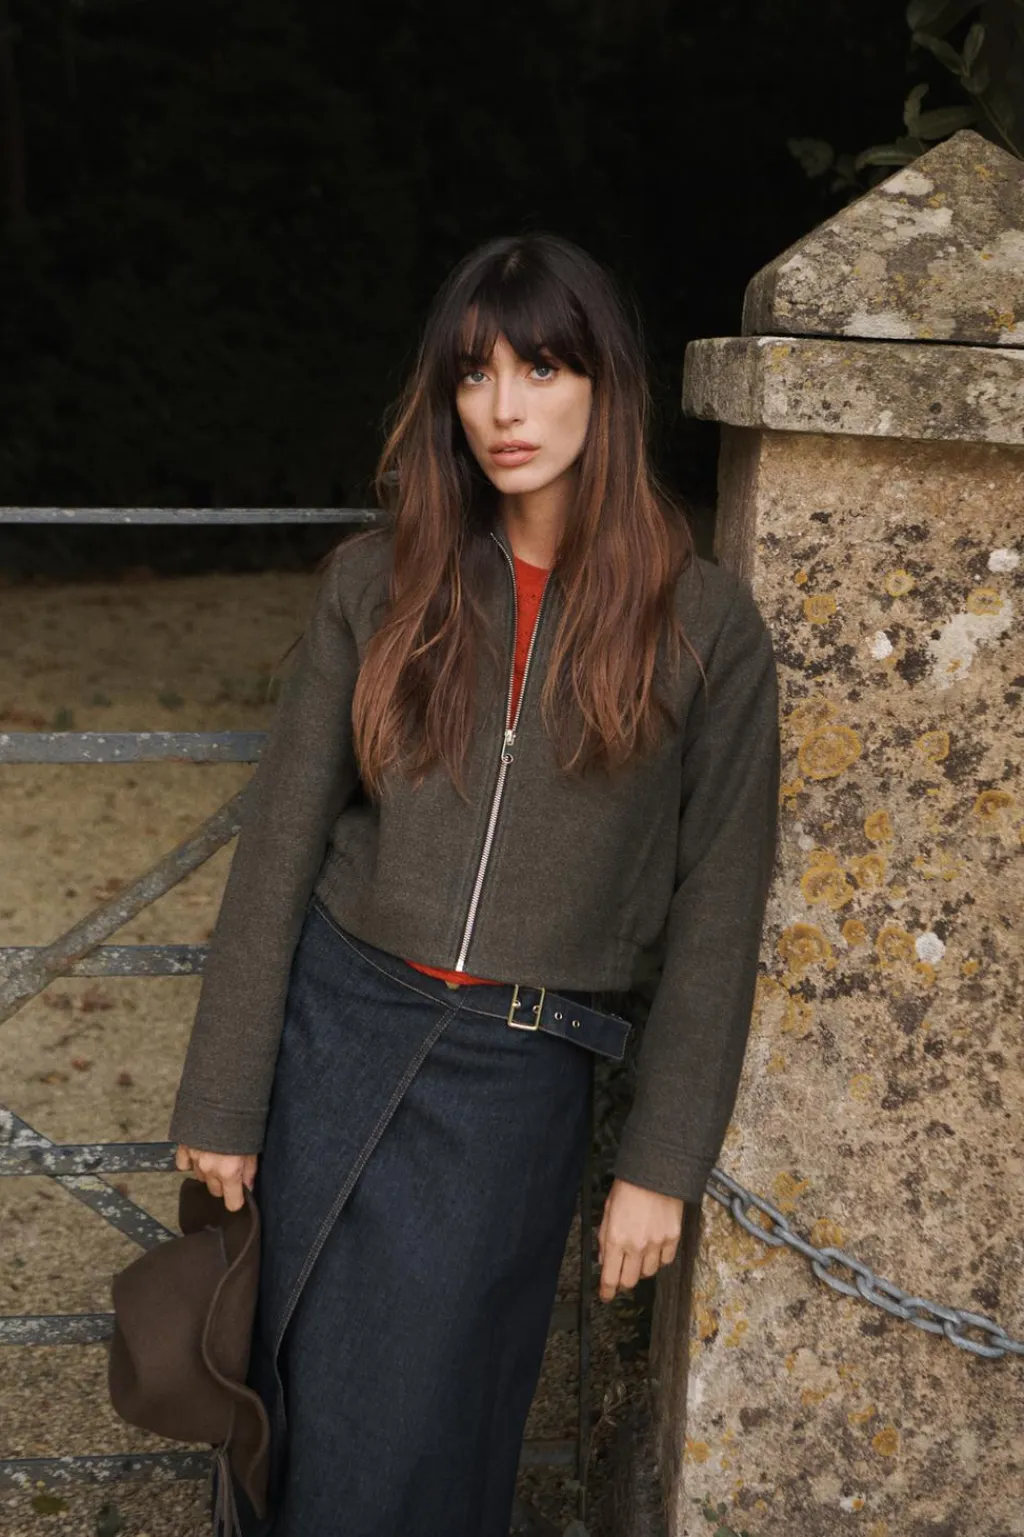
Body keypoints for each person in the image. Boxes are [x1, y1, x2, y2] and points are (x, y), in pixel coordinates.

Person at [168, 230, 781, 1537]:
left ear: (606, 387)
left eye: (541, 368)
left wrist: (661, 1164)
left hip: (514, 1082)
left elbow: (721, 913)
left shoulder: (704, 627)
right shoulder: (378, 583)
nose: (505, 407)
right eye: (474, 373)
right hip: (335, 1039)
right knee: (282, 1415)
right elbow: (278, 850)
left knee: (418, 1449)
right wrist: (222, 1096)